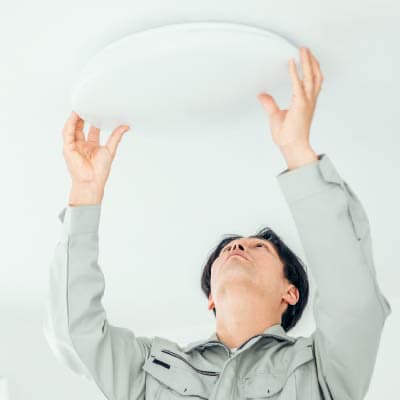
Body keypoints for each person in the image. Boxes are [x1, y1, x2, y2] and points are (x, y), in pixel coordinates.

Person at [43, 47, 391, 400]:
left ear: (290, 292)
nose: (237, 247)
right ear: (211, 298)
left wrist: (298, 152)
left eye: (259, 247)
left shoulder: (322, 369)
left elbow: (354, 302)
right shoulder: (149, 370)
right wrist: (85, 193)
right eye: (228, 250)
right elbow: (76, 335)